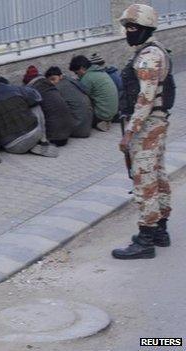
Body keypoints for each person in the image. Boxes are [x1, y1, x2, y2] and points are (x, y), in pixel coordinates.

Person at [112, 4, 175, 260]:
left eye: (133, 27)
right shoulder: (153, 50)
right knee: (157, 175)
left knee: (144, 180)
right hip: (155, 123)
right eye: (127, 27)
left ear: (146, 28)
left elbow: (145, 98)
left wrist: (129, 132)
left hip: (147, 125)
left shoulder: (148, 56)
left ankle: (146, 239)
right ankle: (160, 230)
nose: (128, 32)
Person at [0, 77, 59, 157]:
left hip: (12, 146)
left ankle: (28, 146)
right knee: (35, 105)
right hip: (35, 135)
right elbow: (37, 97)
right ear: (7, 83)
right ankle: (43, 140)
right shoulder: (17, 89)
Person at [23, 66, 75, 146]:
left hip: (54, 137)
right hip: (67, 134)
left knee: (34, 109)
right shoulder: (50, 87)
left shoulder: (34, 90)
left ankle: (42, 140)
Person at [69, 55, 119, 132]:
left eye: (76, 73)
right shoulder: (99, 71)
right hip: (113, 111)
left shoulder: (87, 77)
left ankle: (101, 122)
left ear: (82, 68)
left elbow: (81, 97)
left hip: (102, 114)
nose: (77, 75)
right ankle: (106, 121)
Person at [45, 66, 94, 138]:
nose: (52, 82)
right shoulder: (72, 81)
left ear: (61, 76)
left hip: (78, 129)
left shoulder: (58, 87)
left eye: (53, 79)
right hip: (88, 124)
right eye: (50, 81)